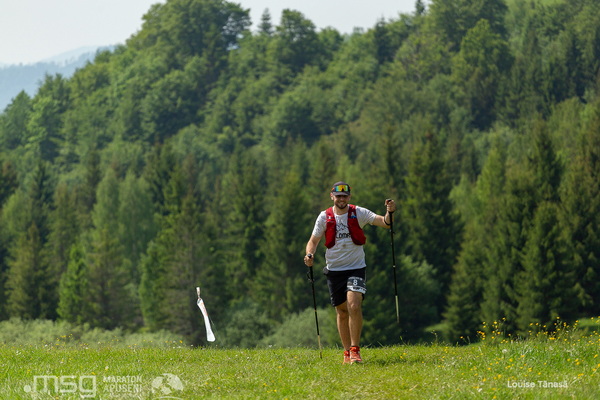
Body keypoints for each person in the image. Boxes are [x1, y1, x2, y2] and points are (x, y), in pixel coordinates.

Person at [304, 181, 396, 364]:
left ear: (349, 197)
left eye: (345, 196)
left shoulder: (358, 212)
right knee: (342, 311)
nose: (341, 199)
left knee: (354, 305)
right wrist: (309, 255)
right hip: (334, 270)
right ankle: (346, 352)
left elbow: (385, 223)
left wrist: (390, 212)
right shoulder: (324, 217)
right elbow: (313, 241)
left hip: (356, 268)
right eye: (338, 196)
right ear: (332, 196)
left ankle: (355, 350)